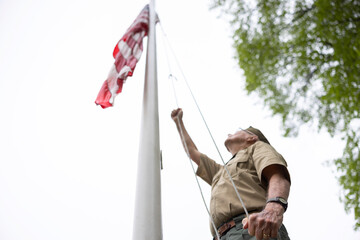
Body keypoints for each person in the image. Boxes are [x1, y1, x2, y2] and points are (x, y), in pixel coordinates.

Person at [171, 108, 291, 240]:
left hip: (251, 229)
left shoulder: (256, 147)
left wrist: (274, 208)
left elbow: (277, 175)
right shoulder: (221, 171)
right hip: (222, 236)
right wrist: (179, 123)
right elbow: (192, 151)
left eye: (237, 131)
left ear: (252, 137)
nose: (230, 133)